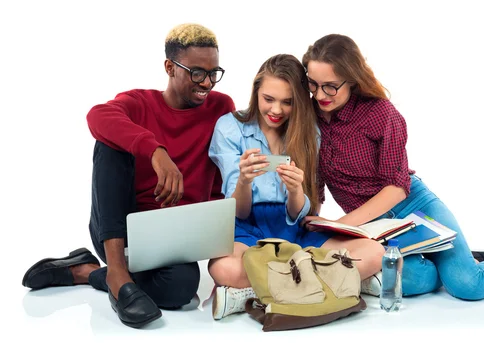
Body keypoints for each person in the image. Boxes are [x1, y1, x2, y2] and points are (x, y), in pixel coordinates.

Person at [301, 34, 484, 301]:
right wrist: (316, 220)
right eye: (313, 84)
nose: (321, 94)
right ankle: (459, 259)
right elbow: (315, 181)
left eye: (331, 85)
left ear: (352, 79)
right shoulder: (310, 117)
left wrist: (341, 223)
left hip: (412, 205)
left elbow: (397, 189)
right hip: (371, 224)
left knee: (468, 285)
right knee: (409, 280)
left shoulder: (380, 114)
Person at [21, 23, 235, 328]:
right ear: (169, 68)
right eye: (197, 72)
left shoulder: (220, 106)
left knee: (182, 288)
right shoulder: (140, 103)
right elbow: (97, 115)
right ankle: (118, 274)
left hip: (173, 237)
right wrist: (155, 150)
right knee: (110, 142)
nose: (207, 82)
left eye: (214, 72)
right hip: (119, 233)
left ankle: (86, 272)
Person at [207, 54, 385, 320]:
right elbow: (240, 213)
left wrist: (295, 191)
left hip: (295, 228)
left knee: (375, 252)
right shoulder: (230, 127)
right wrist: (244, 181)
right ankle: (335, 282)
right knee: (223, 268)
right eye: (269, 99)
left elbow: (303, 211)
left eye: (287, 102)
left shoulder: (308, 130)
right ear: (256, 91)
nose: (276, 110)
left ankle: (249, 294)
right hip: (247, 226)